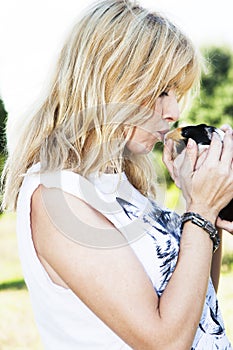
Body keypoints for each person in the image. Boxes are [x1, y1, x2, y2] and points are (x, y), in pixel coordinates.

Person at [2, 0, 233, 349]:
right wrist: (200, 211)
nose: (173, 111)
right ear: (110, 82)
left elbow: (199, 308)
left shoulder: (124, 186)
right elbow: (166, 343)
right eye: (160, 91)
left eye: (176, 94)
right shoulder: (56, 196)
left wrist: (206, 210)